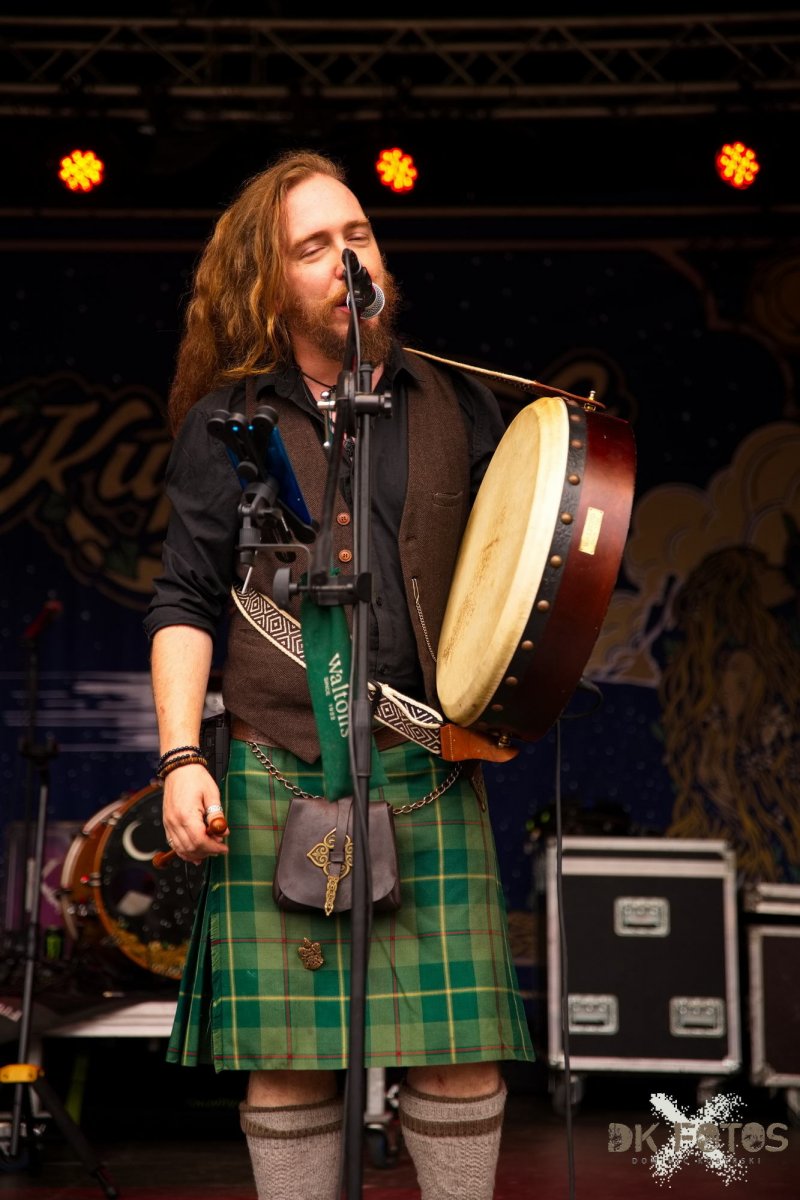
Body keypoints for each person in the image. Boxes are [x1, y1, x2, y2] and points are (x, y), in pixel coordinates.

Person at [144, 148, 534, 1200]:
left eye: (356, 235)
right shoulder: (227, 423)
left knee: (459, 1056)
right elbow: (183, 599)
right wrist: (181, 756)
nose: (345, 259)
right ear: (269, 285)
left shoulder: (457, 403)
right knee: (289, 1063)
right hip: (278, 766)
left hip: (427, 765)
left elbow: (522, 572)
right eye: (312, 246)